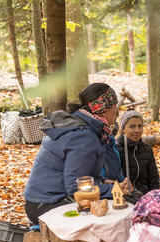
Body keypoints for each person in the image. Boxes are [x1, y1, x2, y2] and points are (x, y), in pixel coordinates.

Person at [24, 83, 130, 225]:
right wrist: (111, 190)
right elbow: (75, 187)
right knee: (121, 208)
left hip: (46, 199)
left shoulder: (87, 128)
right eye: (114, 106)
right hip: (45, 203)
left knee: (124, 201)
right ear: (105, 109)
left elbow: (84, 176)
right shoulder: (83, 137)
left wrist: (106, 183)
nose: (116, 111)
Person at [117, 110, 160, 196]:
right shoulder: (116, 149)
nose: (137, 130)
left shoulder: (147, 149)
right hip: (123, 196)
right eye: (132, 127)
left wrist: (153, 197)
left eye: (140, 126)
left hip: (144, 196)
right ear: (123, 129)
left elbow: (153, 180)